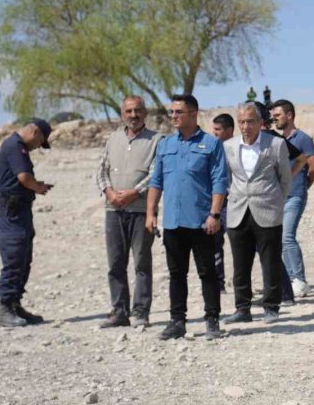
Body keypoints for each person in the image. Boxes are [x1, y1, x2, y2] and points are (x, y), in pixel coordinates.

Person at [146, 94, 229, 341]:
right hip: (173, 221)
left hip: (202, 221)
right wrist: (151, 213)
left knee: (208, 273)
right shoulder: (165, 145)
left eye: (178, 112)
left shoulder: (211, 144)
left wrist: (214, 214)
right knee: (176, 274)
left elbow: (219, 181)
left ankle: (212, 319)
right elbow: (156, 181)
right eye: (172, 112)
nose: (173, 117)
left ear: (193, 114)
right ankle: (177, 321)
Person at [221, 103, 291, 324]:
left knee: (270, 261)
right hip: (238, 210)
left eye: (250, 121)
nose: (246, 126)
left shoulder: (277, 144)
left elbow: (285, 179)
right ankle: (242, 308)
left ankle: (271, 307)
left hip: (268, 210)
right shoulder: (228, 146)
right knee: (240, 264)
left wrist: (277, 201)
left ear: (261, 122)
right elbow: (228, 179)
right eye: (241, 121)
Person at [96, 95, 162, 328]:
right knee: (115, 263)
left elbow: (156, 174)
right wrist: (110, 192)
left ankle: (141, 312)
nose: (133, 116)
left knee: (141, 262)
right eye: (129, 111)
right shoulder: (113, 139)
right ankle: (119, 311)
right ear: (122, 114)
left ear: (145, 113)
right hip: (113, 210)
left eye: (138, 111)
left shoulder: (157, 140)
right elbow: (101, 170)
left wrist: (134, 192)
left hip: (141, 210)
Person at [0, 118, 53, 328]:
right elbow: (24, 177)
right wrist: (37, 187)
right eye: (40, 142)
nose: (38, 147)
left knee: (23, 259)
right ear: (34, 132)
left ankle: (15, 305)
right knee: (14, 259)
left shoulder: (18, 147)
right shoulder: (15, 146)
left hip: (20, 211)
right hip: (10, 212)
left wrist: (36, 187)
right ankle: (6, 309)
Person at [271, 99, 314, 298]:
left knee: (287, 236)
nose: (275, 119)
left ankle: (299, 279)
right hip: (279, 197)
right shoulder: (276, 139)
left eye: (278, 116)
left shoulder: (303, 139)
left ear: (289, 115)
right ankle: (288, 279)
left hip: (295, 196)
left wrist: (302, 187)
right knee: (279, 239)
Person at [211, 113, 235, 293]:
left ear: (229, 130)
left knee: (243, 244)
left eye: (218, 130)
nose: (215, 133)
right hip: (219, 204)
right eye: (214, 129)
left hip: (236, 204)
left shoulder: (238, 147)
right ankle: (218, 283)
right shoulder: (214, 149)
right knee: (215, 244)